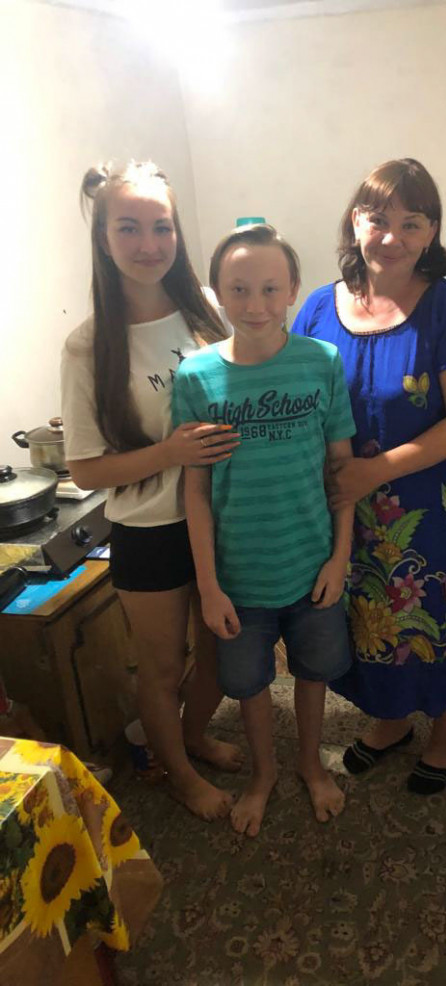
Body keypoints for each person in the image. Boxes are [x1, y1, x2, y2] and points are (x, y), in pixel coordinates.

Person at [292, 158, 446, 795]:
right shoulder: (318, 308)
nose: (392, 237)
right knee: (367, 625)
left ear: (432, 232)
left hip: (427, 508)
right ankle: (390, 723)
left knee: (437, 622)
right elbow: (296, 400)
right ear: (356, 222)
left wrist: (373, 471)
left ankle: (445, 734)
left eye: (412, 223)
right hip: (342, 511)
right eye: (378, 219)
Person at [61, 161, 243, 821]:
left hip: (224, 516)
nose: (148, 244)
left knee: (223, 655)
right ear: (103, 237)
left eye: (161, 227)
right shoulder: (88, 347)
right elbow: (85, 470)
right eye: (129, 228)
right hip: (150, 531)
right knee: (162, 669)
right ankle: (180, 775)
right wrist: (169, 454)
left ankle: (192, 737)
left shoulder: (209, 308)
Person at [172, 224, 356, 837]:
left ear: (293, 290)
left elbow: (340, 472)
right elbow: (195, 491)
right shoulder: (195, 376)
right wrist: (209, 586)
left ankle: (309, 763)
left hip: (312, 566)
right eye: (239, 289)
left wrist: (339, 559)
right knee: (249, 684)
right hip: (238, 578)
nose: (256, 304)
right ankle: (264, 773)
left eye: (271, 288)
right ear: (218, 293)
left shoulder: (322, 362)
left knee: (313, 672)